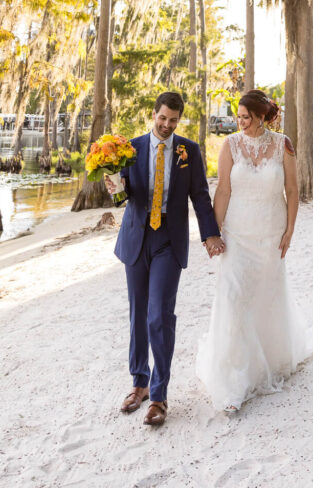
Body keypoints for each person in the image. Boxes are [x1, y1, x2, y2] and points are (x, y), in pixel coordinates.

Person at [105, 91, 224, 427]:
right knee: (138, 314)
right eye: (162, 118)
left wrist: (210, 233)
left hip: (168, 241)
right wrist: (113, 186)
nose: (167, 125)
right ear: (153, 114)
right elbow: (122, 195)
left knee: (159, 314)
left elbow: (200, 195)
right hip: (135, 238)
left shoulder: (190, 151)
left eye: (173, 120)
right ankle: (139, 383)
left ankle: (159, 395)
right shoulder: (131, 148)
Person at [196, 89, 313, 412]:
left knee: (264, 297)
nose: (241, 123)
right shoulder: (230, 145)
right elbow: (222, 190)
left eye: (246, 118)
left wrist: (290, 229)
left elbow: (292, 189)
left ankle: (266, 361)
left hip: (270, 234)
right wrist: (212, 234)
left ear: (262, 116)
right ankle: (234, 383)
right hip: (237, 235)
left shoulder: (283, 145)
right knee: (234, 299)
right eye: (239, 117)